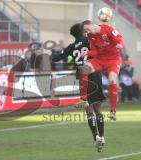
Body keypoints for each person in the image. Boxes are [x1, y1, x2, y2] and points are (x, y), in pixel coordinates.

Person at [51, 23, 106, 152]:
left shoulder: (71, 47)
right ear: (82, 31)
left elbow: (57, 57)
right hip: (94, 74)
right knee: (98, 109)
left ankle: (95, 137)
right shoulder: (89, 40)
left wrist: (51, 54)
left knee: (88, 109)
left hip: (82, 77)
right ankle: (102, 137)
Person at [80, 20, 125, 121]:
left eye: (87, 29)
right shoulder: (90, 36)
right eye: (85, 30)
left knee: (112, 80)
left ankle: (113, 111)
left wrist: (120, 45)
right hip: (100, 60)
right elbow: (95, 52)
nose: (87, 31)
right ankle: (83, 99)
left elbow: (120, 39)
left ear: (92, 25)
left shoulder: (108, 29)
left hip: (113, 60)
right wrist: (87, 53)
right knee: (84, 69)